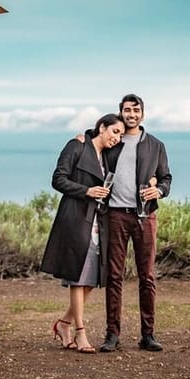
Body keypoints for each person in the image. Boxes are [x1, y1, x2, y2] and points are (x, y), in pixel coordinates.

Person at [40, 113, 125, 354]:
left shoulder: (105, 156)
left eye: (120, 134)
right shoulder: (76, 146)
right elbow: (58, 180)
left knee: (89, 280)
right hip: (76, 220)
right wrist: (87, 191)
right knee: (78, 278)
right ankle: (80, 333)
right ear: (102, 127)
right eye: (114, 131)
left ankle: (63, 324)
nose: (116, 138)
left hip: (98, 223)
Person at [97, 93, 172, 353]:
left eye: (136, 110)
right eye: (127, 110)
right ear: (121, 112)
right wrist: (81, 137)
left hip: (145, 216)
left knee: (147, 277)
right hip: (116, 215)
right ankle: (112, 335)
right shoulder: (113, 141)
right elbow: (96, 137)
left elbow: (166, 179)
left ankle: (148, 335)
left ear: (143, 113)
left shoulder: (155, 145)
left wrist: (159, 191)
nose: (132, 114)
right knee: (114, 276)